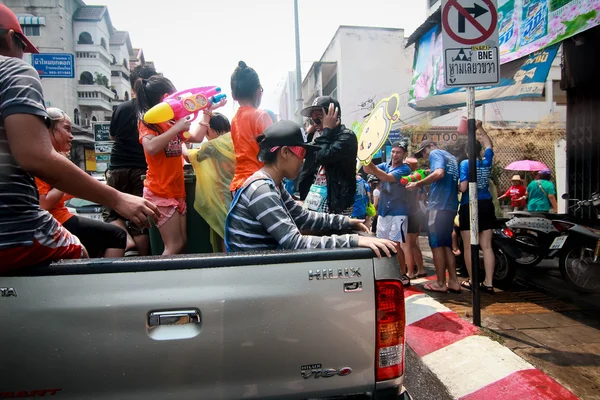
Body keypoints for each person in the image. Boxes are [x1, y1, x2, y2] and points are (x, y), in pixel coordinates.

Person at [0, 4, 159, 272]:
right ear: (10, 38)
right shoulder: (14, 72)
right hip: (15, 233)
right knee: (78, 252)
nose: (22, 55)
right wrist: (118, 198)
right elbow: (35, 159)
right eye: (22, 47)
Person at [225, 120, 397, 257]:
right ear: (285, 152)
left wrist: (344, 221)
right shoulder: (262, 191)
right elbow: (295, 243)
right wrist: (354, 240)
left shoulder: (274, 184)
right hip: (257, 275)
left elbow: (302, 217)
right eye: (302, 153)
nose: (304, 160)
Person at [35, 108, 127, 258]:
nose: (71, 136)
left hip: (60, 217)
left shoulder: (52, 160)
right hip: (55, 221)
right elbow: (44, 203)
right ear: (48, 129)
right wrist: (63, 179)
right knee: (117, 236)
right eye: (66, 129)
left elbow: (76, 190)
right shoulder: (43, 161)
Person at [135, 75, 206, 255]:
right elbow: (150, 147)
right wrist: (176, 129)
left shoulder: (170, 123)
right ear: (165, 98)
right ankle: (158, 281)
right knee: (173, 246)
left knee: (181, 243)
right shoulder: (148, 122)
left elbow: (196, 137)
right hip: (160, 192)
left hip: (175, 191)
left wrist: (207, 111)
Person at [103, 65, 159, 257]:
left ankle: (126, 241)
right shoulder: (153, 111)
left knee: (113, 213)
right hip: (141, 171)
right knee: (140, 219)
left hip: (117, 167)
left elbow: (112, 136)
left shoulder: (120, 108)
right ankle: (143, 262)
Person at [408, 140, 461, 293]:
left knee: (436, 245)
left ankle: (440, 283)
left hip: (438, 206)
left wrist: (418, 184)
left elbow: (439, 173)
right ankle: (453, 282)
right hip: (450, 206)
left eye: (424, 152)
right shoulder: (451, 158)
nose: (424, 156)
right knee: (446, 245)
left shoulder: (436, 153)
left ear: (431, 146)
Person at [364, 141, 414, 286]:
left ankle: (402, 274)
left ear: (404, 154)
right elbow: (367, 169)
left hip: (399, 212)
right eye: (393, 151)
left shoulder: (405, 169)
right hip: (383, 212)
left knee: (395, 245)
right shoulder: (385, 165)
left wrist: (371, 166)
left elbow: (386, 177)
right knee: (382, 244)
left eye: (398, 152)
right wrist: (366, 156)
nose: (394, 155)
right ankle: (386, 272)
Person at [183, 112, 234, 253]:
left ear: (210, 129)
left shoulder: (212, 146)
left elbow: (190, 157)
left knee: (224, 233)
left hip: (221, 197)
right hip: (239, 194)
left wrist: (181, 141)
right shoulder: (237, 139)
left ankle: (228, 265)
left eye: (206, 133)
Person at [299, 96, 358, 215]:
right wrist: (308, 135)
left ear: (334, 117)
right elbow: (303, 152)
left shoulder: (347, 137)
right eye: (312, 120)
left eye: (319, 120)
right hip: (317, 199)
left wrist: (326, 130)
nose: (315, 124)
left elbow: (323, 156)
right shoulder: (321, 137)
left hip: (337, 204)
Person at [458, 121, 497, 293]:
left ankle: (474, 281)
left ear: (467, 151)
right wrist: (480, 128)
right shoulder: (487, 161)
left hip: (469, 205)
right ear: (480, 149)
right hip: (486, 204)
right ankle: (489, 283)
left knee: (468, 246)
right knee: (487, 246)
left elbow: (464, 187)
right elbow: (489, 143)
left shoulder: (466, 164)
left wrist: (457, 186)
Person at [229, 61, 273, 194]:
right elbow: (273, 152)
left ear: (233, 95)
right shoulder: (261, 116)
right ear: (259, 91)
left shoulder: (235, 119)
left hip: (238, 185)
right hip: (258, 185)